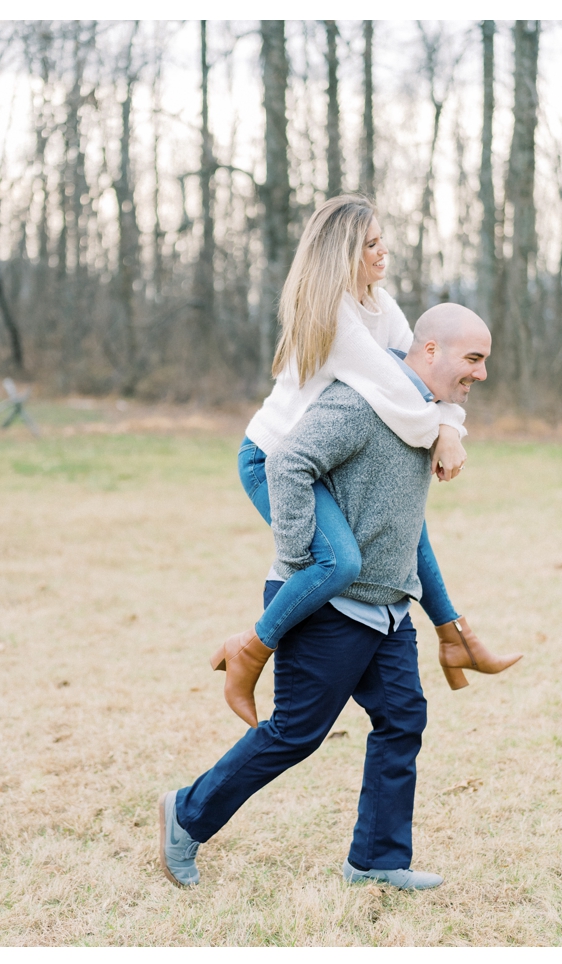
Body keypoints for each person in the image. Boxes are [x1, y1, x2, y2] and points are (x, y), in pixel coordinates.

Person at [159, 304, 494, 890]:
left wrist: (443, 617)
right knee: (295, 733)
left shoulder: (423, 416)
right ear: (431, 351)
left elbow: (410, 530)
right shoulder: (363, 403)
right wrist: (302, 562)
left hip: (388, 608)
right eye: (474, 359)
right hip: (333, 605)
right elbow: (286, 461)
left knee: (402, 719)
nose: (482, 374)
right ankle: (186, 815)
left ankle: (377, 861)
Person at [216, 195, 518, 727]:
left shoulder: (380, 304)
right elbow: (398, 398)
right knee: (340, 562)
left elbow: (423, 379)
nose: (383, 252)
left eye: (382, 240)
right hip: (276, 459)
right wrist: (444, 433)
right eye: (371, 244)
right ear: (343, 253)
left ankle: (455, 637)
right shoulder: (332, 313)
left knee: (409, 527)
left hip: (331, 458)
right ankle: (250, 651)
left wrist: (449, 425)